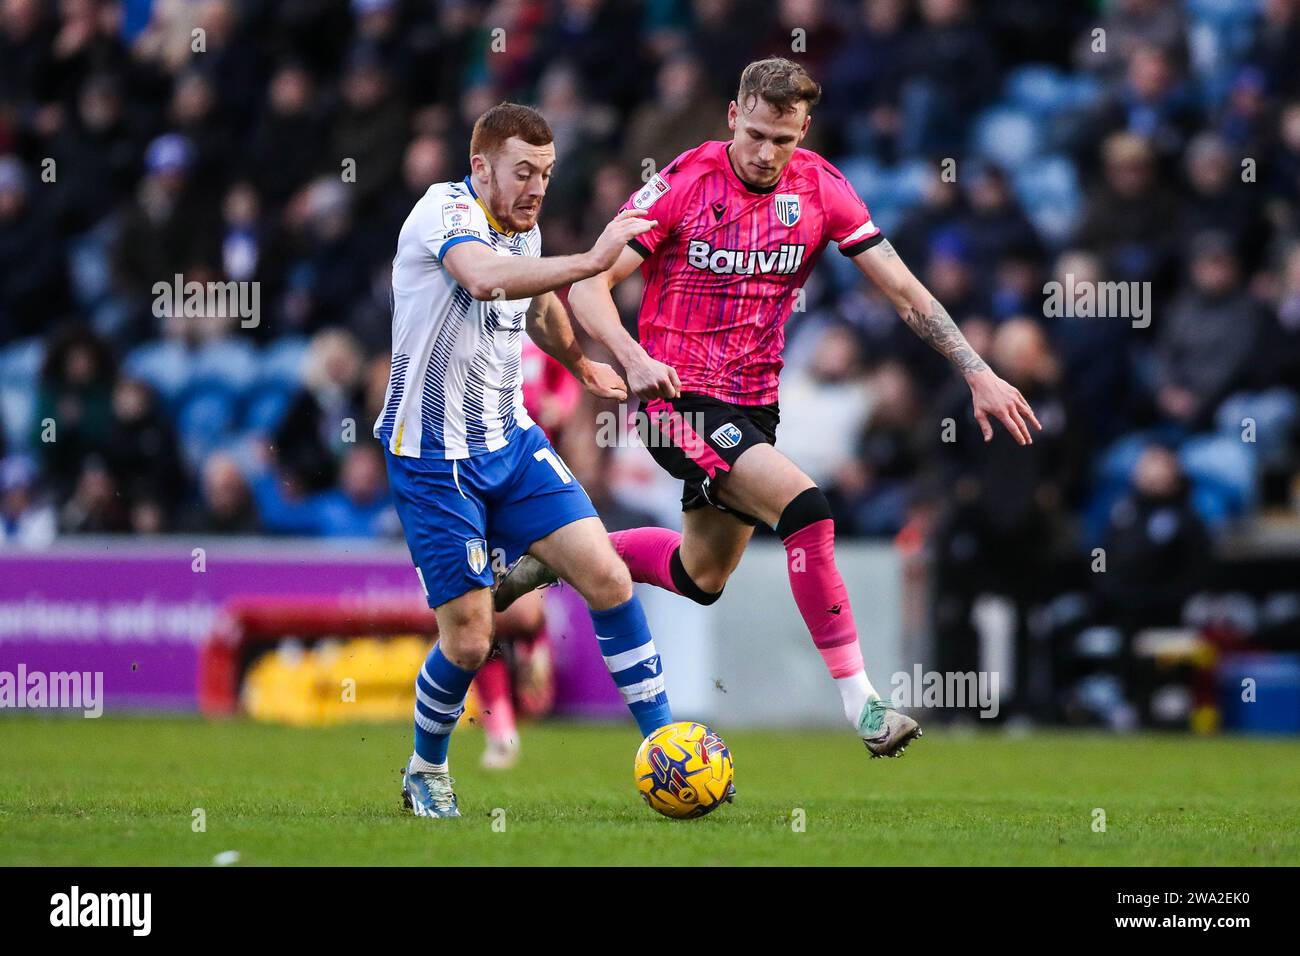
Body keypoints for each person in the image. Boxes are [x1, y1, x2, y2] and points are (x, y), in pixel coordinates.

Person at [498, 58, 1041, 758]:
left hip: (754, 405)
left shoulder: (823, 190)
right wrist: (632, 358)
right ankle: (865, 706)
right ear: (732, 116)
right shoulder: (682, 184)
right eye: (754, 133)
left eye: (782, 140)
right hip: (675, 395)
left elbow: (906, 292)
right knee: (805, 506)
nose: (765, 152)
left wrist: (977, 371)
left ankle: (557, 553)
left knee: (702, 576)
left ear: (803, 132)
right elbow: (587, 288)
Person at [375, 102, 677, 817]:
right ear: (480, 167)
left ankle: (667, 748)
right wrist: (597, 260)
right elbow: (484, 280)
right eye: (522, 172)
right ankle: (426, 768)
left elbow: (537, 304)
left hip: (510, 444)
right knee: (474, 639)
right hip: (432, 460)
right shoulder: (442, 212)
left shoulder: (525, 227)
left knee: (606, 573)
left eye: (545, 172)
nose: (536, 186)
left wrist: (579, 360)